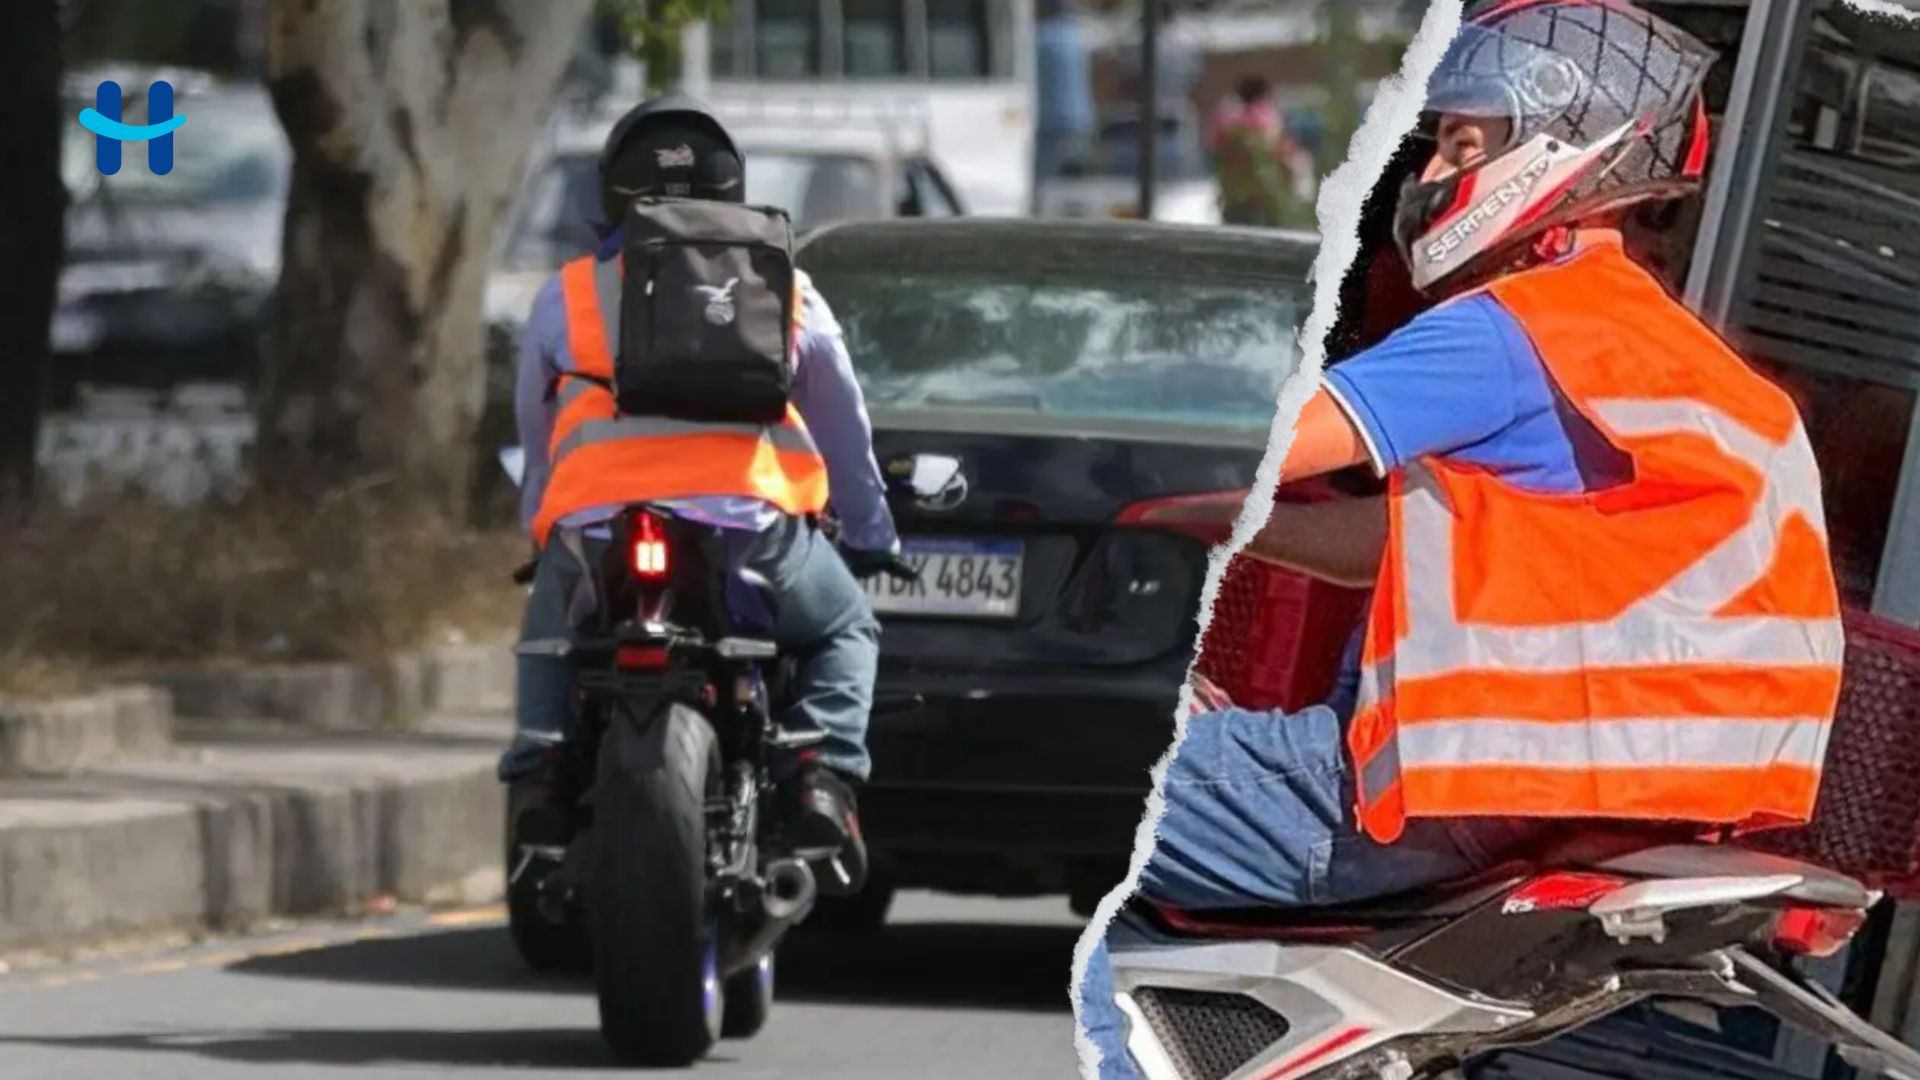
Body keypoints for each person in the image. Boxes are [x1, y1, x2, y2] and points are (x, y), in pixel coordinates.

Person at [1077, 3, 1845, 1076]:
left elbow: (1251, 442)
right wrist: (1243, 532)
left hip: (1435, 799)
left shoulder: (1511, 327)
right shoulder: (1670, 356)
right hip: (1607, 804)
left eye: (1460, 143)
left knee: (1079, 789)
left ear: (1558, 151)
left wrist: (1096, 443)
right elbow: (1433, 546)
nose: (1431, 174)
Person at [502, 95, 901, 895]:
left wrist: (542, 527)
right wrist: (870, 531)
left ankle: (542, 771)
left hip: (599, 531)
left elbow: (536, 429)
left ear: (611, 189)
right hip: (749, 533)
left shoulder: (567, 293)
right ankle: (821, 774)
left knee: (549, 638)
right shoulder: (784, 285)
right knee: (847, 627)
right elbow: (842, 423)